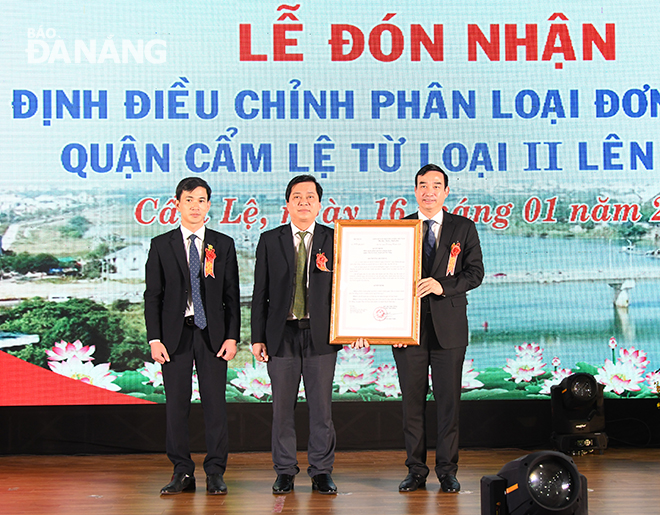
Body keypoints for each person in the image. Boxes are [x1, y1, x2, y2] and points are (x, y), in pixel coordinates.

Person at [251, 174, 365, 495]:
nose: (304, 202)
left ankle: (321, 471)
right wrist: (257, 337)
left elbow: (348, 290)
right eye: (297, 197)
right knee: (282, 409)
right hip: (280, 334)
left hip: (321, 336)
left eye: (310, 197)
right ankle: (285, 471)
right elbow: (260, 293)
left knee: (321, 409)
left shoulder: (334, 239)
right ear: (287, 203)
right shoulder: (269, 240)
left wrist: (354, 328)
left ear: (319, 204)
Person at [144, 177, 240, 496]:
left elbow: (231, 295)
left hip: (212, 336)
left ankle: (215, 471)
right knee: (176, 407)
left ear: (209, 205)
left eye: (201, 200)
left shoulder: (222, 244)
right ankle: (182, 471)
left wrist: (232, 337)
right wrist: (154, 338)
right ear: (177, 204)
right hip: (174, 337)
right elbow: (153, 296)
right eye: (189, 200)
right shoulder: (161, 245)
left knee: (215, 406)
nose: (195, 206)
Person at [394, 164, 484, 493]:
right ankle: (416, 470)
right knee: (412, 404)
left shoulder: (463, 227)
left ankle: (447, 470)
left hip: (450, 330)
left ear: (446, 192)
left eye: (435, 186)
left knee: (448, 404)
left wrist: (441, 285)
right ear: (415, 191)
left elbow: (475, 273)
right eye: (422, 185)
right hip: (408, 330)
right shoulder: (401, 228)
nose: (428, 191)